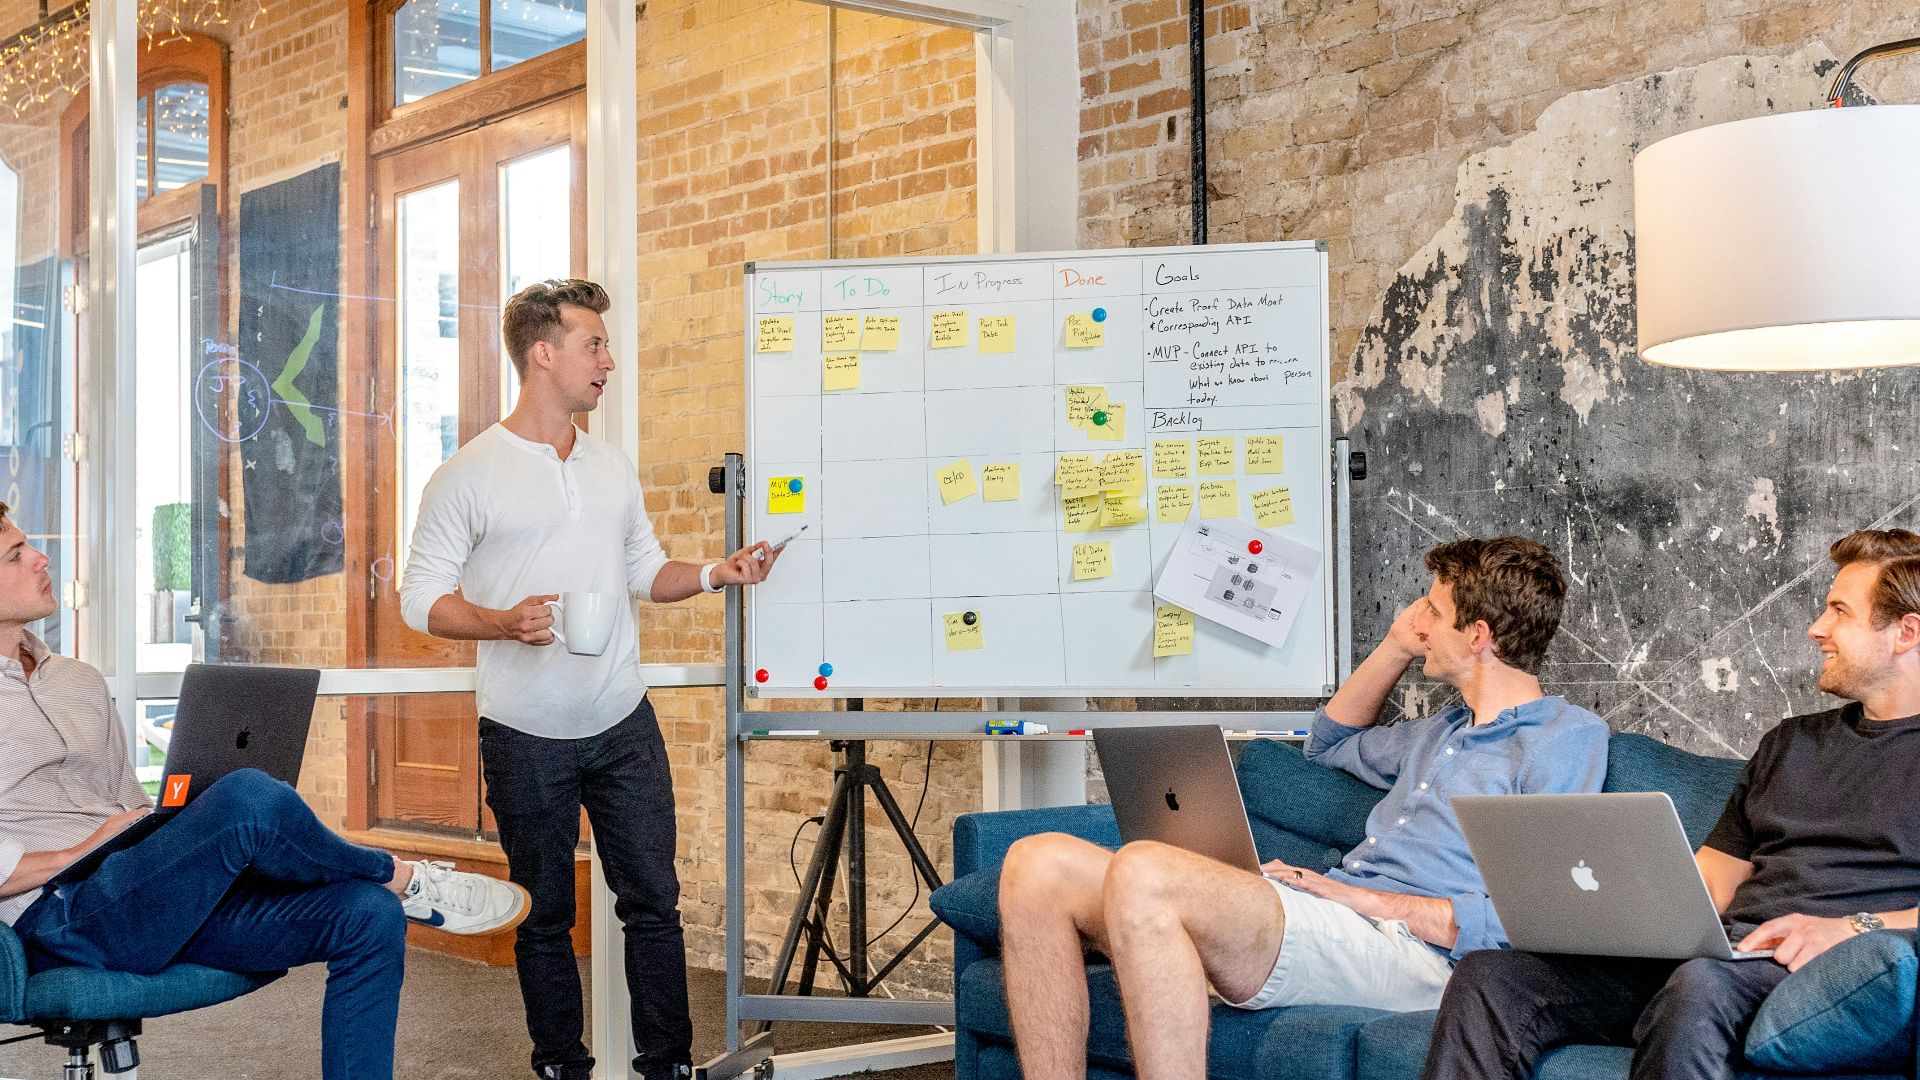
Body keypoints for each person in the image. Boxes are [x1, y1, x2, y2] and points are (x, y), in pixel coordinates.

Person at [997, 536, 1610, 1080]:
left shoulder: (1561, 736)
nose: (1417, 618)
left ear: (1477, 636)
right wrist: (1397, 646)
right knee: (1037, 864)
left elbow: (1543, 912)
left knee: (1146, 870)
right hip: (1334, 916)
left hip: (1415, 954)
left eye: (1433, 610)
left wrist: (1371, 900)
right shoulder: (1437, 732)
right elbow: (1327, 745)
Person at [401, 279, 780, 1080]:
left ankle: (667, 1067)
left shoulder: (610, 466)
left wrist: (718, 570)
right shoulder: (467, 474)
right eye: (593, 344)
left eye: (604, 344)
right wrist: (502, 621)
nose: (609, 360)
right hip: (523, 731)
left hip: (621, 720)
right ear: (543, 354)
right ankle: (562, 1067)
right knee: (544, 916)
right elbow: (420, 598)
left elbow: (645, 570)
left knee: (653, 906)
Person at [0, 504, 526, 1080]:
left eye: (30, 546)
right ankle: (401, 875)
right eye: (16, 554)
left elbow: (125, 801)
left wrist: (167, 825)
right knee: (249, 797)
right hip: (62, 916)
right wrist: (81, 850)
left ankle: (384, 890)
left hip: (140, 886)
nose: (41, 557)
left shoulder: (78, 678)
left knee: (367, 915)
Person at [1422, 528, 1920, 1080]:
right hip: (1725, 958)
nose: (1816, 628)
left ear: (1905, 632)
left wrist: (1855, 927)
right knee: (1490, 978)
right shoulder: (1790, 742)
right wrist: (1623, 913)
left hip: (1812, 971)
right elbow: (1711, 881)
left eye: (1839, 612)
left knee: (1700, 984)